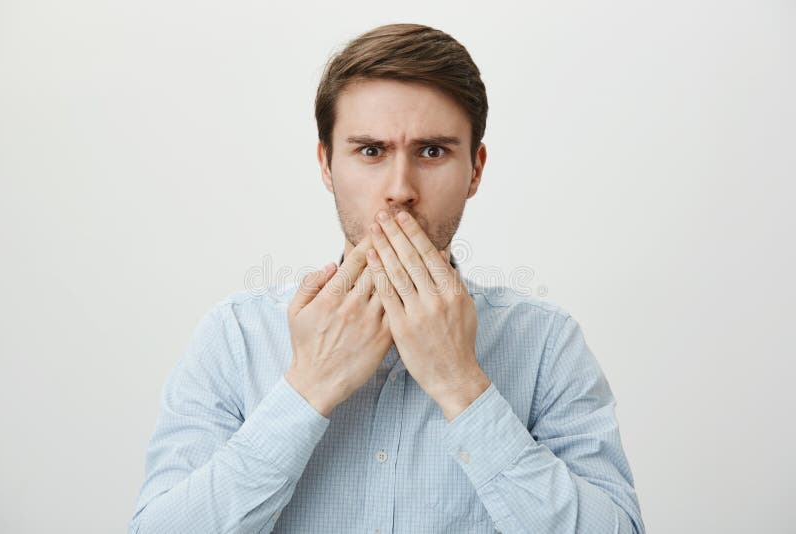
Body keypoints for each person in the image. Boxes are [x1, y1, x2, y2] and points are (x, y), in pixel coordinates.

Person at [128, 23, 645, 534]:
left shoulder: (547, 344)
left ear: (476, 170)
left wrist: (460, 384)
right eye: (371, 151)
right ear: (327, 165)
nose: (400, 189)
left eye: (432, 151)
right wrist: (309, 386)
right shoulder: (235, 337)